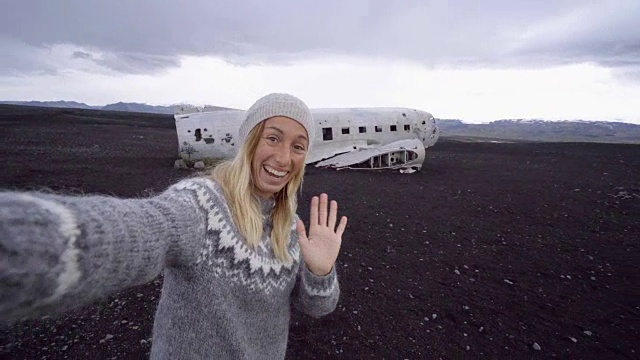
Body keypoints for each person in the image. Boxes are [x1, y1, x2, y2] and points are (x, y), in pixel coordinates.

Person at [0, 93, 348, 359]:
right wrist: (27, 243)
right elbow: (144, 229)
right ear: (250, 141)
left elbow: (317, 307)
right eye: (273, 138)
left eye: (298, 146)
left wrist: (321, 271)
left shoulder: (291, 227)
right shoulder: (202, 204)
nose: (284, 158)